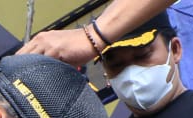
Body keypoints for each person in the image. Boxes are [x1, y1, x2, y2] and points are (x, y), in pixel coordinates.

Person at [20, 0, 178, 68]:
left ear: (175, 49)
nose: (132, 72)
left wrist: (92, 36)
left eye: (142, 55)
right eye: (115, 64)